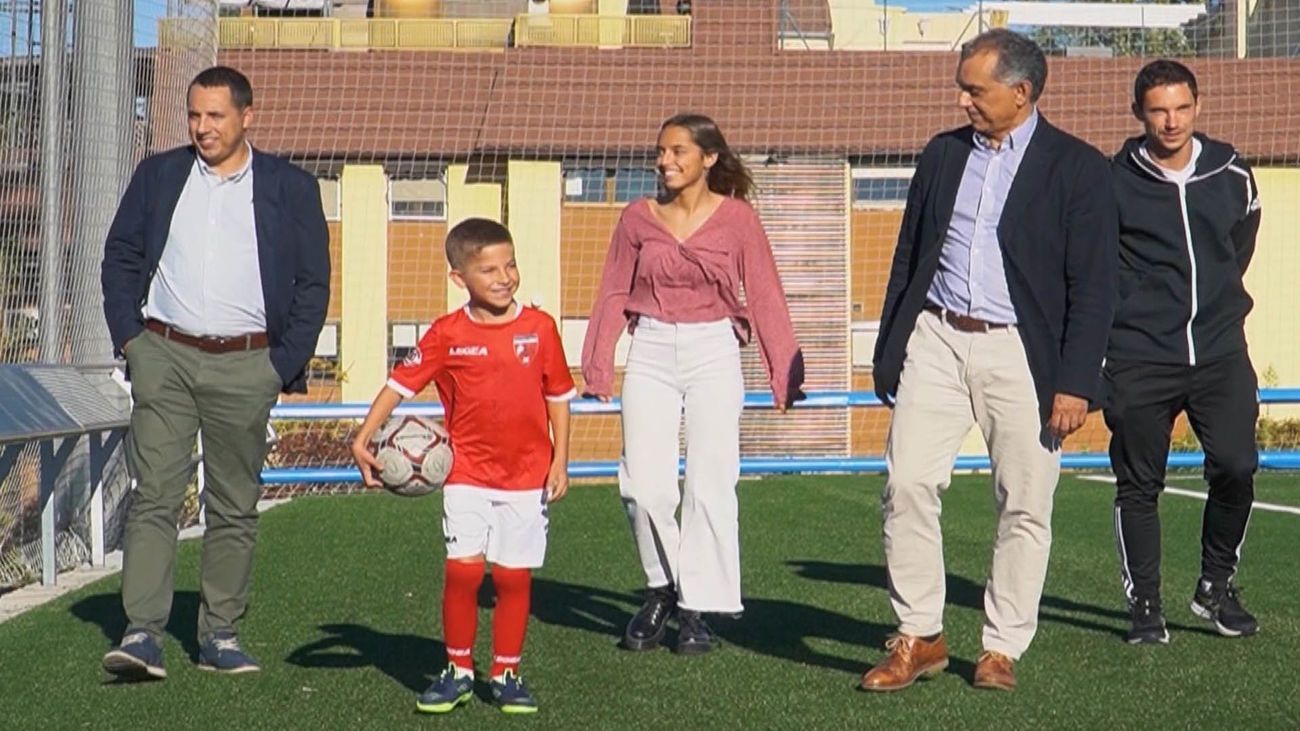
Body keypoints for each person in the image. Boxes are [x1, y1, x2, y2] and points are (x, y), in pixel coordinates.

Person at [865, 29, 1117, 691]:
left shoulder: (1079, 168)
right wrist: (891, 347)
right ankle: (919, 634)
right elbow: (909, 257)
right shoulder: (943, 154)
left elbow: (1095, 284)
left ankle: (1001, 647)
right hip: (938, 337)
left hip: (1025, 354)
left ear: (1021, 91)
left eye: (975, 89)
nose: (962, 98)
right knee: (908, 483)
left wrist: (1075, 382)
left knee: (1025, 502)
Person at [99, 66, 330, 679]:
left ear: (247, 116)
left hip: (248, 365)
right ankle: (142, 633)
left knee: (233, 503)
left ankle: (219, 635)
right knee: (154, 497)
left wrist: (279, 365)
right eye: (194, 116)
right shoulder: (159, 175)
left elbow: (313, 285)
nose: (202, 128)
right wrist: (132, 340)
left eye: (216, 117)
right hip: (164, 357)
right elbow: (120, 256)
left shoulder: (292, 188)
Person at [581, 113, 803, 655]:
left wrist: (785, 370)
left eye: (678, 150)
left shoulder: (739, 220)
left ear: (709, 158)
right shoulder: (637, 218)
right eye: (660, 151)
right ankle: (662, 587)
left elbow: (767, 293)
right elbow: (614, 291)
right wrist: (598, 365)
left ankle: (694, 610)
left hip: (713, 350)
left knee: (709, 482)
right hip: (652, 348)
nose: (665, 161)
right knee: (644, 484)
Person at [349, 218, 574, 714]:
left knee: (513, 578)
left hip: (527, 476)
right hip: (465, 473)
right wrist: (364, 434)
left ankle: (507, 673)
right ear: (459, 278)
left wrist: (561, 458)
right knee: (464, 574)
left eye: (510, 264)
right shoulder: (447, 334)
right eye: (488, 269)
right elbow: (399, 385)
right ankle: (458, 670)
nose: (504, 277)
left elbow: (558, 395)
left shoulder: (540, 329)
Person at [1106, 60, 1263, 645]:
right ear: (1139, 113)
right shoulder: (1112, 179)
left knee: (1237, 466)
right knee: (1139, 485)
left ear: (1197, 106)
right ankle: (1144, 603)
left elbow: (1239, 244)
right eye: (1157, 110)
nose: (1170, 121)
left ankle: (1215, 587)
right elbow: (1098, 267)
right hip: (1140, 355)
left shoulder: (1232, 172)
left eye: (1181, 107)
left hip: (1221, 349)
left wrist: (1211, 305)